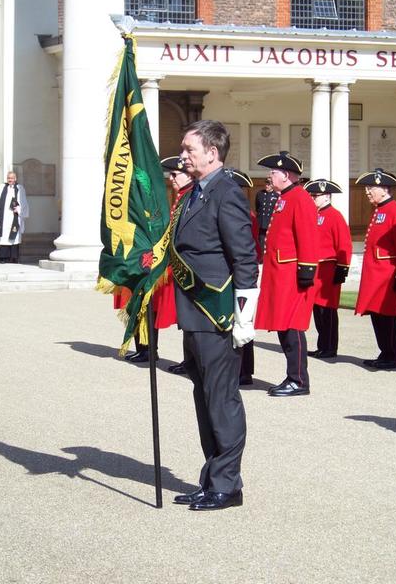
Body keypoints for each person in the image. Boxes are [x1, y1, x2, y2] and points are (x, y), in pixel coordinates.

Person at [170, 120, 259, 511]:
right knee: (203, 398)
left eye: (190, 149)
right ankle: (212, 479)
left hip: (216, 313)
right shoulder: (195, 192)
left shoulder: (227, 192)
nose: (184, 155)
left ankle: (228, 486)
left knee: (221, 399)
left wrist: (245, 317)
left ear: (212, 152)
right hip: (195, 312)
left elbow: (244, 258)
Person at [255, 151, 318, 397]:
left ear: (287, 174)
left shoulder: (300, 198)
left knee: (292, 327)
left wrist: (307, 270)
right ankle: (293, 377)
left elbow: (308, 236)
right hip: (282, 272)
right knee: (284, 326)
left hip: (292, 273)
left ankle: (299, 380)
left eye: (274, 171)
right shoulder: (285, 197)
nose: (270, 174)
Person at [121, 156, 194, 367]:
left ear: (188, 174)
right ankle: (151, 351)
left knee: (187, 316)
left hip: (182, 265)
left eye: (175, 175)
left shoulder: (190, 196)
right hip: (163, 262)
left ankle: (189, 360)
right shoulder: (180, 196)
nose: (171, 179)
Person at [354, 168, 396, 369]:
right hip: (377, 274)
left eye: (371, 187)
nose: (367, 192)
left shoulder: (395, 212)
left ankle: (393, 355)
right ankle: (385, 352)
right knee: (377, 314)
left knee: (388, 316)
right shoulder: (380, 210)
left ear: (384, 189)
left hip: (387, 275)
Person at [304, 179, 353, 359]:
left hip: (329, 268)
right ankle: (322, 345)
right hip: (316, 268)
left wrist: (343, 268)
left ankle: (330, 347)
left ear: (326, 196)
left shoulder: (335, 216)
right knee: (318, 309)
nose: (313, 198)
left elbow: (344, 244)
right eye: (312, 195)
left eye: (315, 196)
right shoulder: (314, 215)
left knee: (328, 310)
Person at [224, 167, 262, 385]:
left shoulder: (244, 214)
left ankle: (243, 371)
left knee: (242, 320)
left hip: (239, 271)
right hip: (236, 270)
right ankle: (240, 370)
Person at [0, 171, 29, 263]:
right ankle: (2, 258)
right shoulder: (1, 187)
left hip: (14, 216)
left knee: (13, 237)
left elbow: (23, 202)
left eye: (12, 178)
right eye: (8, 178)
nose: (10, 180)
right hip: (2, 217)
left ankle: (13, 258)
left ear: (15, 178)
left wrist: (18, 209)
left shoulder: (20, 188)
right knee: (2, 237)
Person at [255, 177, 278, 252]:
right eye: (266, 184)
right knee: (261, 239)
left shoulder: (276, 195)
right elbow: (257, 207)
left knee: (270, 239)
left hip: (270, 222)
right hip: (261, 222)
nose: (266, 186)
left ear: (272, 185)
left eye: (268, 184)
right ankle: (261, 256)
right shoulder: (260, 194)